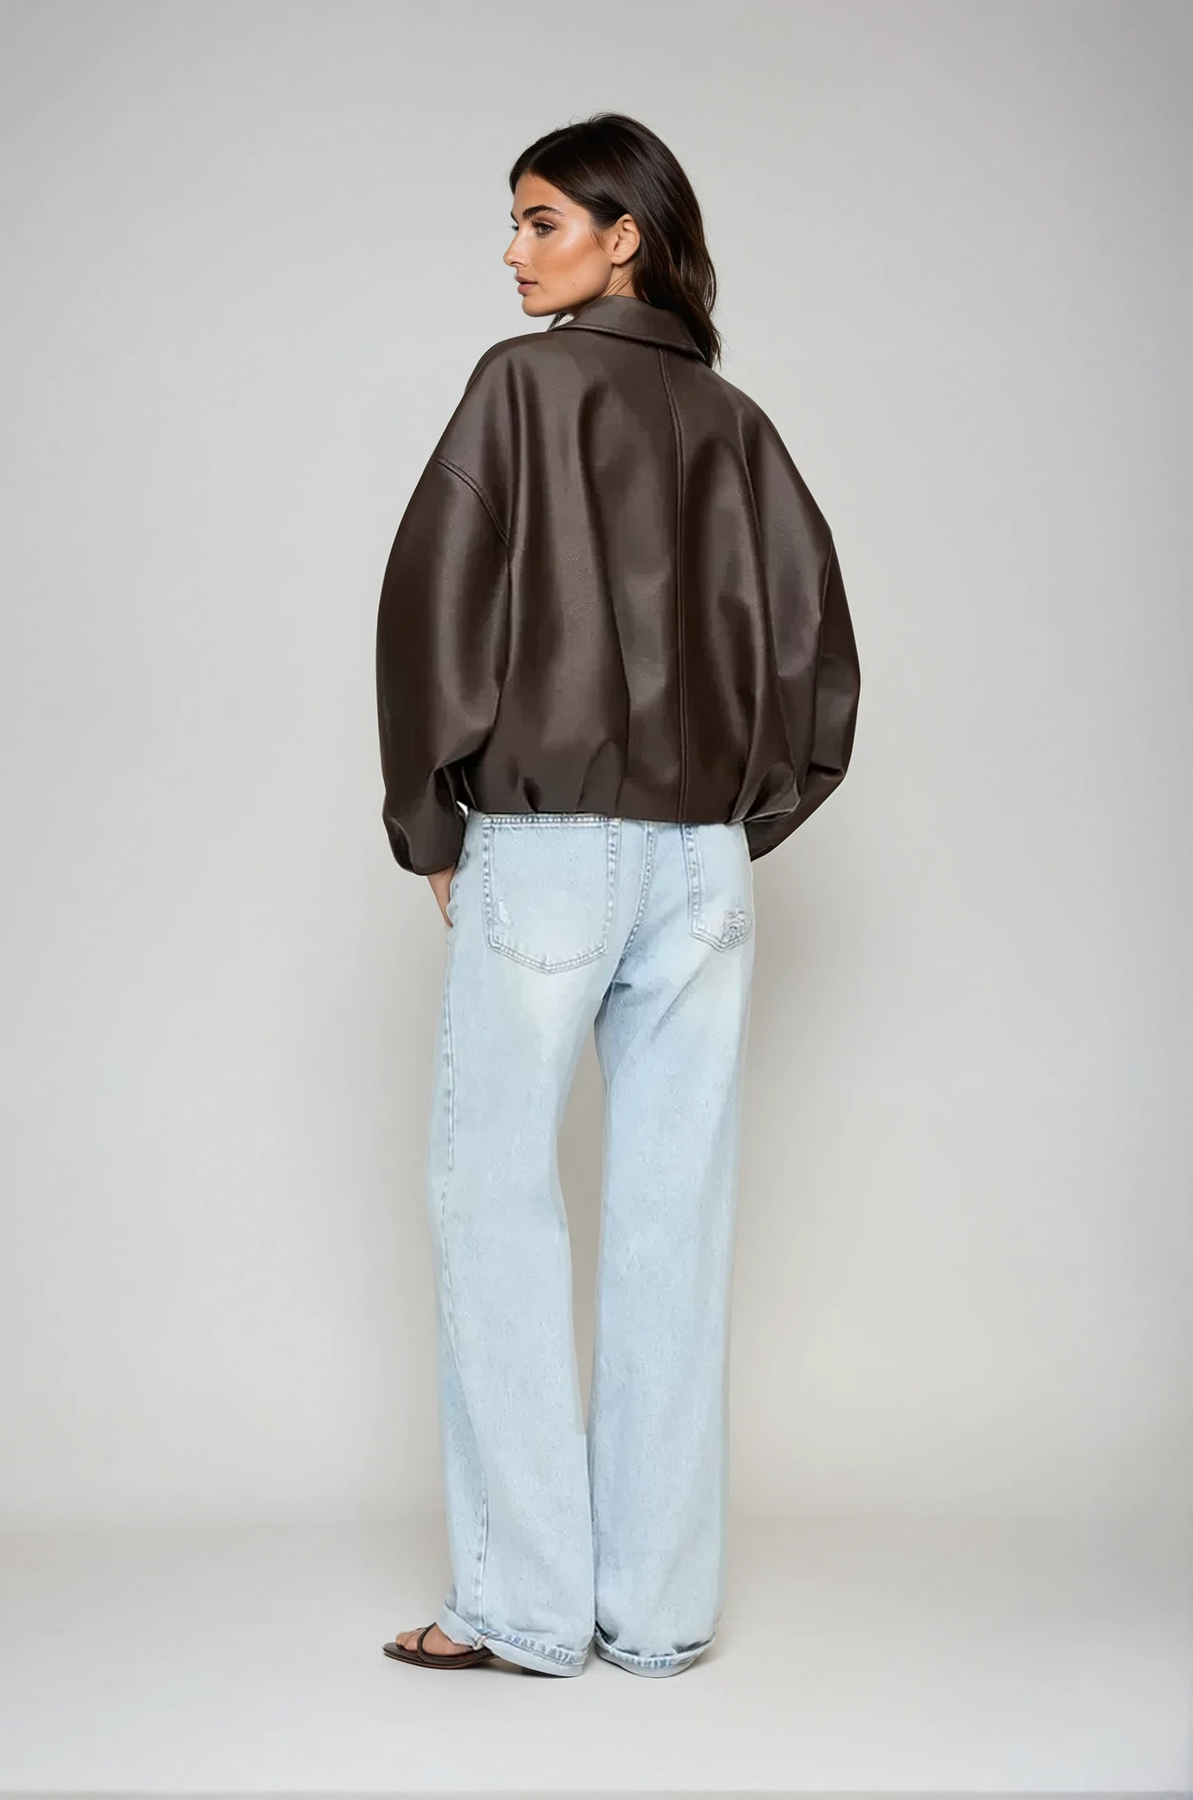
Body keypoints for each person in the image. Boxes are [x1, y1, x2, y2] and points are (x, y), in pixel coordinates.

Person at [375, 113, 860, 1678]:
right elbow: (819, 662)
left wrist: (429, 823)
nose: (514, 251)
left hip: (547, 848)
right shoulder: (738, 425)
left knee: (495, 1205)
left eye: (541, 221)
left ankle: (524, 1608)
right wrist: (736, 823)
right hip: (702, 861)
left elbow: (431, 607)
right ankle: (657, 1616)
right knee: (673, 1221)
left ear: (622, 234)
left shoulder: (521, 390)